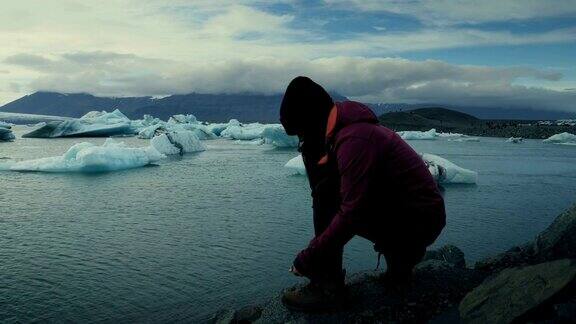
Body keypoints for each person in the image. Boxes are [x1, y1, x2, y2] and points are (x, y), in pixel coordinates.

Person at [279, 76, 446, 311]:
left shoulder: (355, 139)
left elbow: (351, 212)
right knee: (327, 191)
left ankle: (328, 287)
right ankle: (399, 266)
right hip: (414, 214)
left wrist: (309, 258)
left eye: (301, 133)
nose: (302, 140)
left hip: (420, 221)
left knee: (328, 198)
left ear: (312, 121)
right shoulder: (341, 131)